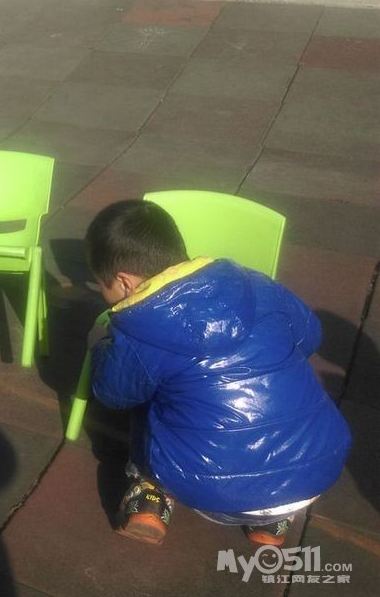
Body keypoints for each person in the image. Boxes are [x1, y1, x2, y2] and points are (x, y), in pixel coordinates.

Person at [85, 199, 351, 546]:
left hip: (212, 488)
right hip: (314, 470)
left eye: (100, 285)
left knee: (147, 397)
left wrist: (101, 345)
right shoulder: (254, 283)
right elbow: (310, 336)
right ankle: (272, 523)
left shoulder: (138, 328)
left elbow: (113, 393)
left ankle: (150, 495)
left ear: (124, 282)